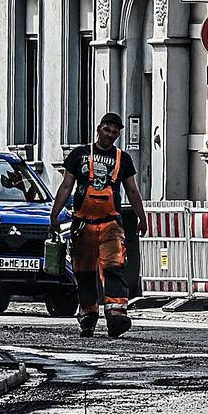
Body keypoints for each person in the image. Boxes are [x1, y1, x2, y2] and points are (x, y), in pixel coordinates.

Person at [51, 113, 144, 337]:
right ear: (98, 128)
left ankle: (117, 316)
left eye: (115, 132)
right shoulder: (79, 155)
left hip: (111, 224)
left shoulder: (123, 159)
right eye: (107, 130)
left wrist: (142, 216)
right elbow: (66, 187)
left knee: (114, 267)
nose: (110, 135)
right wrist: (54, 216)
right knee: (84, 272)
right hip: (82, 224)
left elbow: (132, 190)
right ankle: (88, 315)